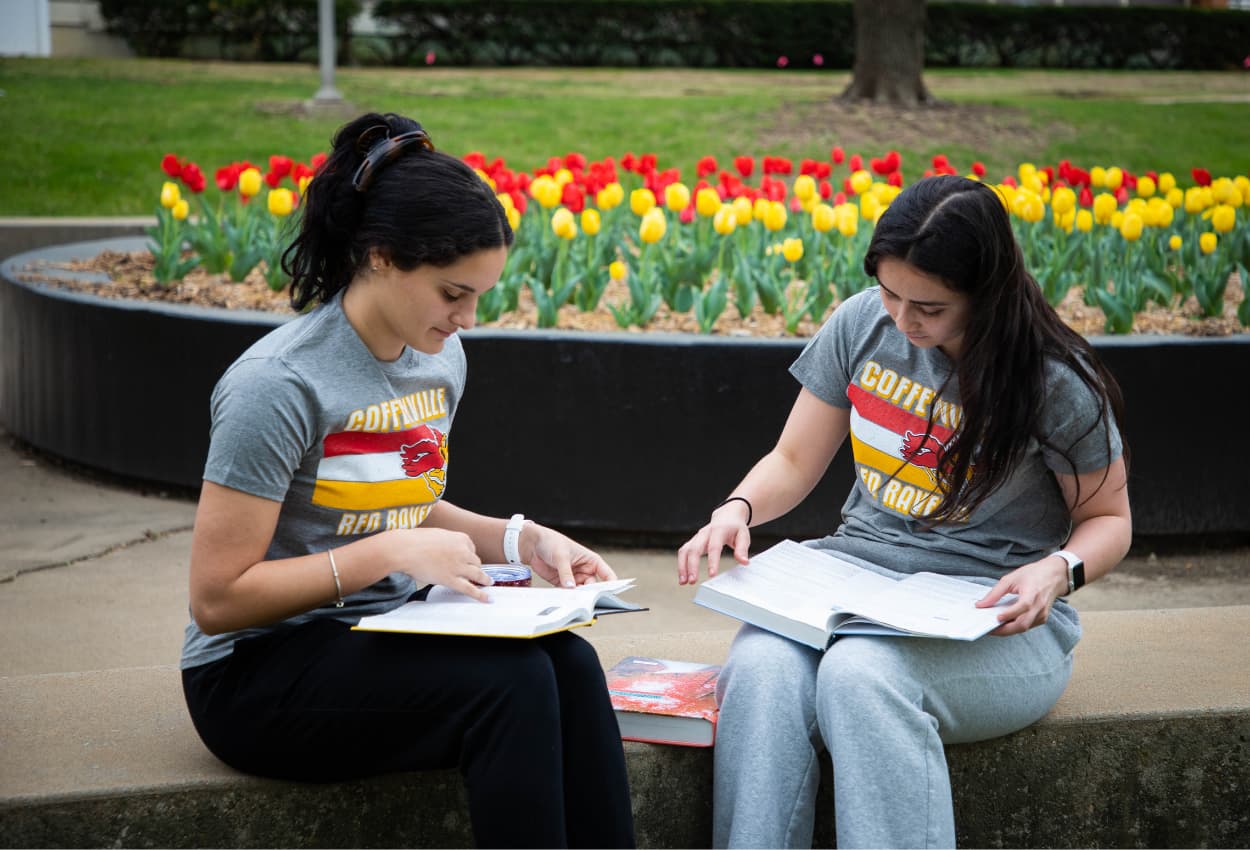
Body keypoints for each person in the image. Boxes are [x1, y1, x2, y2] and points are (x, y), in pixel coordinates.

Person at [180, 112, 635, 850]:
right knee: (511, 688)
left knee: (571, 664)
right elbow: (217, 598)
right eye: (453, 293)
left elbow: (396, 505)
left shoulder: (438, 356)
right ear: (383, 257)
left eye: (480, 294)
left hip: (379, 629)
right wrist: (386, 557)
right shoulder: (278, 383)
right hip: (255, 672)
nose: (467, 318)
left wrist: (520, 540)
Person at [677, 174, 1132, 849]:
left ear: (988, 293)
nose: (902, 320)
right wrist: (738, 507)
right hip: (854, 583)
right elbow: (795, 462)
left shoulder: (1051, 378)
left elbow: (1111, 520)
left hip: (996, 618)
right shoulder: (863, 323)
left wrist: (1057, 571)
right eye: (890, 293)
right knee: (762, 670)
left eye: (929, 307)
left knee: (862, 676)